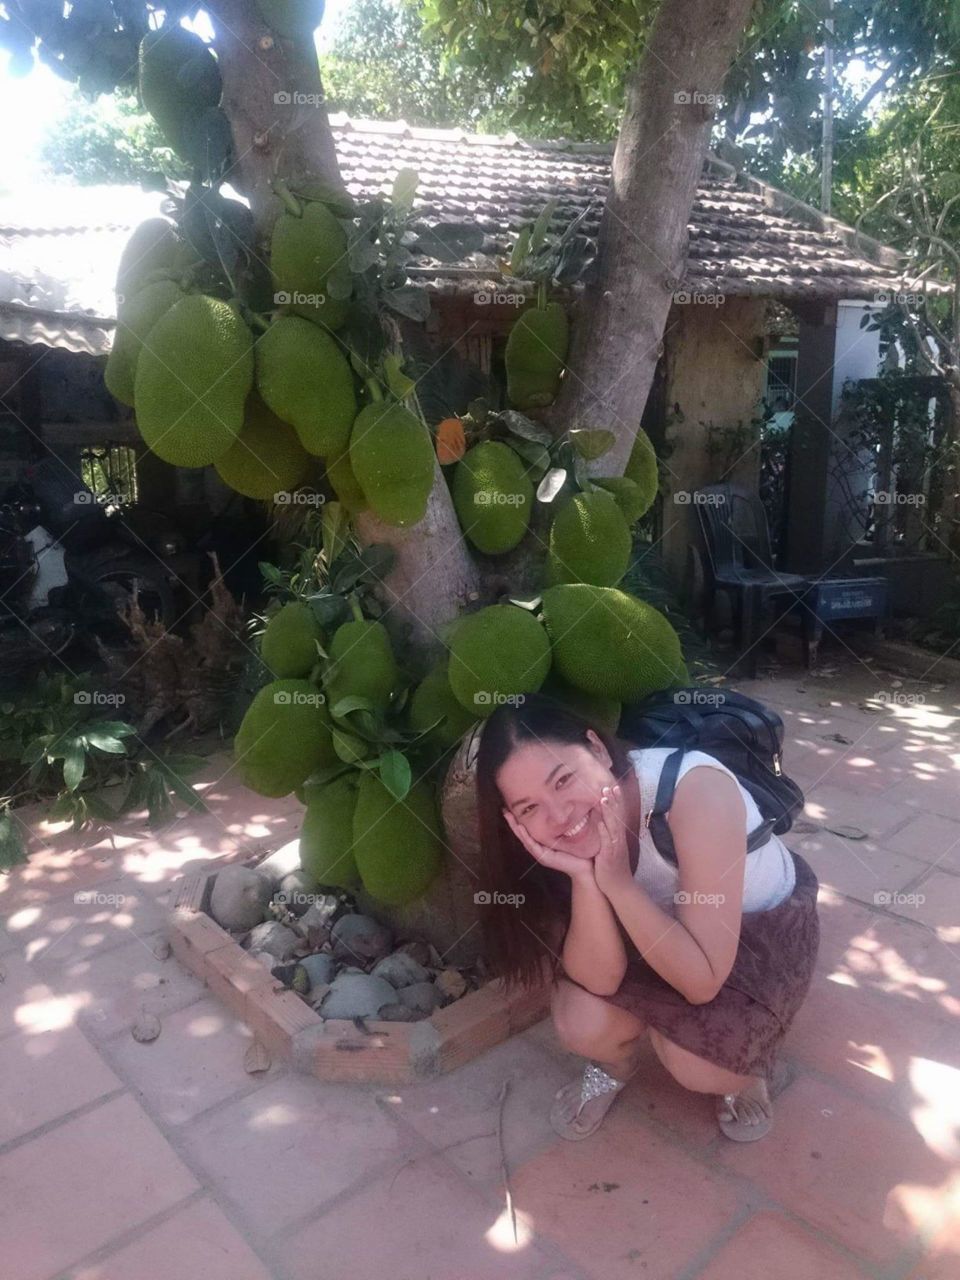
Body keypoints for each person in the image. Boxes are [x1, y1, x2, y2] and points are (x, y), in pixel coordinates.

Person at [474, 691, 820, 1143]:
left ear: (597, 748)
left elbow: (702, 980)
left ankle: (744, 1073)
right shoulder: (558, 842)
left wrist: (616, 881)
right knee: (581, 1020)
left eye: (563, 781)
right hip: (655, 925)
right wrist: (584, 876)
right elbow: (597, 980)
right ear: (512, 820)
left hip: (757, 937)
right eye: (529, 808)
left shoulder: (694, 792)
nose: (559, 816)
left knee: (697, 1060)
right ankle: (616, 1064)